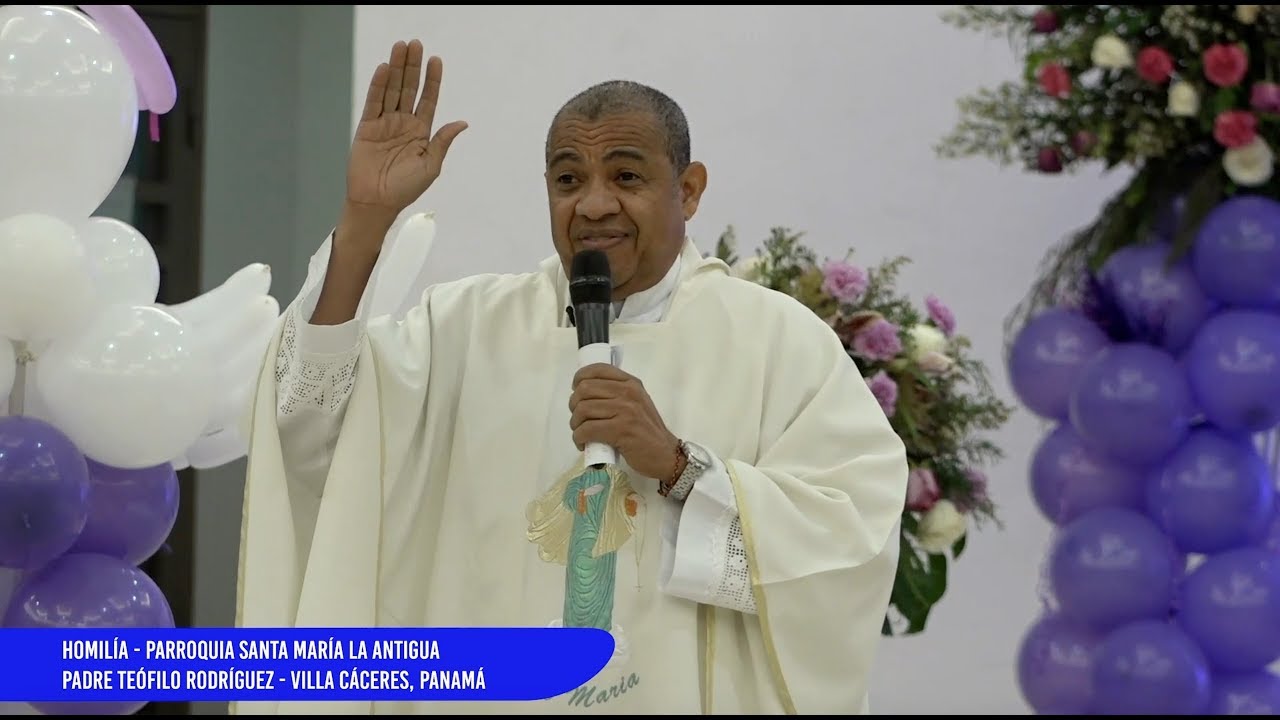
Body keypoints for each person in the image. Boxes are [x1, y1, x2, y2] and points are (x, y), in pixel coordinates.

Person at [233, 38, 909, 716]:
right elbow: (315, 428)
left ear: (690, 189)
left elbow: (851, 543)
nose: (591, 206)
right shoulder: (464, 329)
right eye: (567, 180)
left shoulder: (778, 342)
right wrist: (365, 224)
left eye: (626, 177)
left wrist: (678, 467)